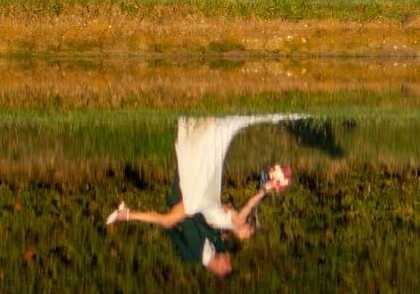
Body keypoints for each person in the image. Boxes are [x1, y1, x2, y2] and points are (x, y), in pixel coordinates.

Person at [105, 115, 294, 275]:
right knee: (181, 197)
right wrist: (264, 189)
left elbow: (173, 235)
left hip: (188, 204)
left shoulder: (191, 257)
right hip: (202, 201)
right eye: (248, 233)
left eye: (227, 265)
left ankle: (127, 214)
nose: (229, 260)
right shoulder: (225, 240)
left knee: (170, 216)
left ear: (219, 271)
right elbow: (244, 209)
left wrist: (164, 216)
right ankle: (126, 214)